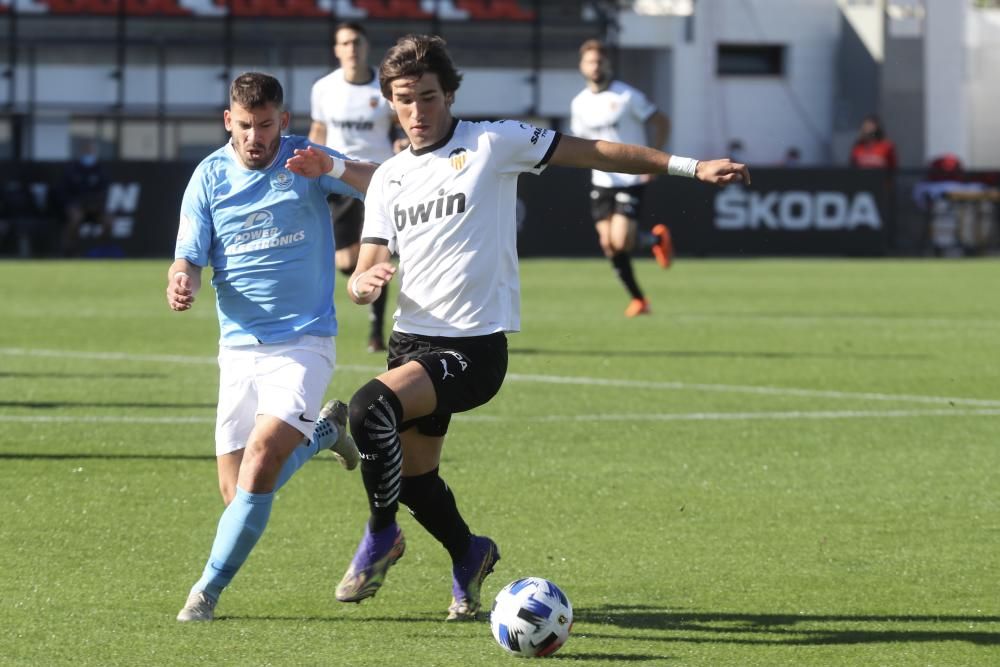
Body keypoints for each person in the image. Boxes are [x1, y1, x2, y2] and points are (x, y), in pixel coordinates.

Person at [335, 34, 749, 622]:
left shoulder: (492, 141)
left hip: (473, 349)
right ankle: (470, 552)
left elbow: (598, 151)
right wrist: (359, 284)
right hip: (411, 343)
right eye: (405, 100)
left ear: (449, 94)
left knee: (366, 410)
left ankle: (382, 536)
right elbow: (369, 261)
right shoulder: (389, 179)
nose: (418, 111)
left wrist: (689, 165)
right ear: (390, 104)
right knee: (418, 479)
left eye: (428, 97)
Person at [166, 71, 377, 622]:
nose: (255, 137)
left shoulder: (306, 158)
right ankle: (326, 432)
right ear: (227, 122)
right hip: (238, 348)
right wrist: (182, 275)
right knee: (236, 493)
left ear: (283, 120)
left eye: (265, 125)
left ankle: (205, 593)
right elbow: (188, 250)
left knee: (261, 462)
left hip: (304, 341)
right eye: (244, 126)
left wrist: (331, 166)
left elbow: (383, 184)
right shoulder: (209, 175)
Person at [310, 22, 402, 353]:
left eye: (357, 42)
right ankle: (367, 283)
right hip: (338, 180)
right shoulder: (323, 88)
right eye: (345, 43)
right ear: (337, 50)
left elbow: (399, 127)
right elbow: (319, 131)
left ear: (366, 46)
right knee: (345, 260)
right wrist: (308, 165)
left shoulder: (384, 85)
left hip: (378, 181)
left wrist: (401, 143)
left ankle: (377, 330)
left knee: (375, 256)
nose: (351, 49)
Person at [571, 39, 674, 316]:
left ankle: (653, 241)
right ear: (582, 66)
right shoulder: (579, 103)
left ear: (608, 65)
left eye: (600, 62)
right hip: (600, 180)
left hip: (630, 177)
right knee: (608, 244)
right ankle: (640, 300)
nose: (595, 67)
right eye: (590, 62)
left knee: (620, 240)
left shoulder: (627, 96)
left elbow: (662, 121)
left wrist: (654, 161)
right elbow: (580, 141)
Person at [61, 141, 112, 256]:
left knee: (109, 221)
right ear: (81, 152)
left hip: (96, 208)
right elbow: (64, 192)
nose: (89, 154)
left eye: (91, 151)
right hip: (76, 206)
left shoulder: (101, 170)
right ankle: (69, 251)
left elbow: (104, 190)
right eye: (87, 151)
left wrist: (97, 204)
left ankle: (101, 250)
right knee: (75, 218)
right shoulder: (72, 169)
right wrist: (74, 204)